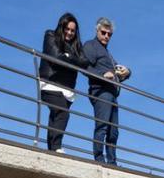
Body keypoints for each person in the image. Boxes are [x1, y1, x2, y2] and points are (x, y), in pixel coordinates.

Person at [82, 17, 131, 165]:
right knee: (102, 127)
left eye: (109, 34)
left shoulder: (108, 54)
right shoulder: (90, 46)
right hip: (101, 91)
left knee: (113, 131)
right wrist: (102, 75)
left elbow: (118, 72)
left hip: (113, 93)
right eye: (103, 33)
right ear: (97, 30)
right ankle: (99, 159)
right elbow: (84, 67)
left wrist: (127, 72)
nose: (106, 36)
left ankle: (112, 162)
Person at [39, 12, 87, 152]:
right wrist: (71, 59)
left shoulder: (77, 46)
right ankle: (56, 147)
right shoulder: (50, 35)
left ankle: (51, 150)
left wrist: (67, 56)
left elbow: (84, 62)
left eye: (72, 30)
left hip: (67, 89)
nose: (70, 33)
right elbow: (55, 58)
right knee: (62, 113)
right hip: (50, 83)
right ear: (62, 27)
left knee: (55, 117)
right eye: (67, 29)